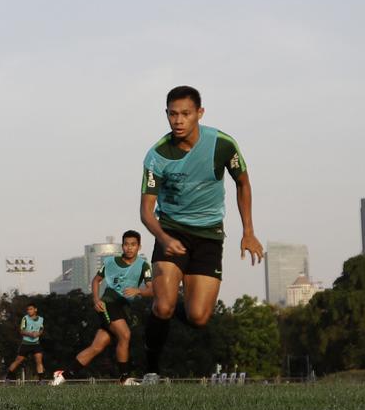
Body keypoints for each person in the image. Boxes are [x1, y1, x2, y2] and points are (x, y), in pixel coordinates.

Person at [140, 85, 263, 379]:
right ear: (166, 115)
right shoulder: (157, 155)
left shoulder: (222, 144)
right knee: (166, 306)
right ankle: (150, 369)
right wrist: (164, 238)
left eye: (185, 114)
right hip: (170, 230)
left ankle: (164, 304)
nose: (178, 120)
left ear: (199, 114)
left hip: (208, 235)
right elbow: (146, 211)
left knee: (198, 317)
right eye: (172, 114)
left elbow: (242, 183)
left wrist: (248, 231)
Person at [54, 230, 152, 385]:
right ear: (122, 246)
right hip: (109, 304)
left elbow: (151, 289)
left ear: (139, 247)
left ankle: (62, 376)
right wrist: (96, 299)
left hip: (124, 309)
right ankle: (124, 378)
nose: (129, 248)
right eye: (126, 244)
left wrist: (138, 290)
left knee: (96, 347)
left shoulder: (144, 265)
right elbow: (96, 280)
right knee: (125, 335)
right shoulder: (111, 262)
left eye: (133, 245)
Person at [4, 304, 45, 381]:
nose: (29, 311)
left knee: (39, 361)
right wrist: (31, 334)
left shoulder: (41, 319)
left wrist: (38, 334)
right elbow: (21, 331)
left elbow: (41, 329)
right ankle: (7, 378)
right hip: (26, 344)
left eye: (31, 309)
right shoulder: (25, 318)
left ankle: (41, 380)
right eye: (28, 309)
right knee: (18, 361)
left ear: (35, 309)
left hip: (36, 344)